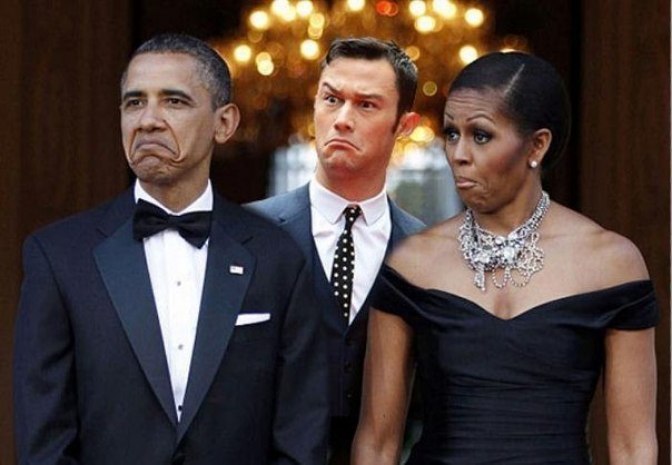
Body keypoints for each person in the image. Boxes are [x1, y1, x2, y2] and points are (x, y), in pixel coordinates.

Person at [13, 33, 329, 465]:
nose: (148, 120)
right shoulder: (58, 257)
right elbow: (44, 442)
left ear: (224, 123)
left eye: (174, 101)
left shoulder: (278, 257)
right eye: (134, 103)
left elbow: (301, 437)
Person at [352, 51, 658, 464]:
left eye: (480, 136)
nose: (458, 154)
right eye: (451, 133)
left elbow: (633, 447)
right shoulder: (412, 263)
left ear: (537, 145)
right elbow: (376, 444)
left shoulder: (610, 263)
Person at [248, 37, 425, 464]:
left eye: (366, 105)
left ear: (404, 125)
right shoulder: (248, 234)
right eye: (331, 99)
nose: (343, 119)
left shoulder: (426, 253)